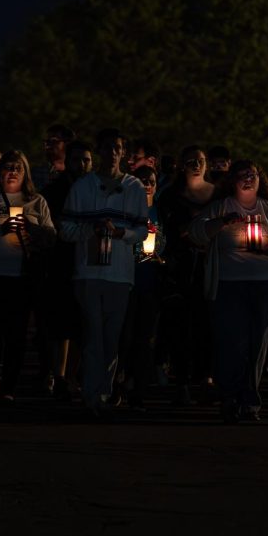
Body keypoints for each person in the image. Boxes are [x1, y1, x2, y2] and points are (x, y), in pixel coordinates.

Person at [190, 160, 268, 422]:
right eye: (242, 175)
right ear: (232, 181)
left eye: (253, 174)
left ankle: (249, 400)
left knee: (258, 342)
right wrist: (222, 222)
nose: (248, 179)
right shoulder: (221, 207)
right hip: (229, 285)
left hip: (267, 285)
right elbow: (197, 233)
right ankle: (229, 396)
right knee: (232, 341)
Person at [59, 129, 148, 418]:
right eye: (107, 147)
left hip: (120, 274)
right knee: (93, 333)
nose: (112, 153)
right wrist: (90, 230)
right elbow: (66, 228)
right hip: (88, 270)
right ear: (100, 152)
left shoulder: (134, 188)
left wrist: (120, 232)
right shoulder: (83, 187)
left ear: (123, 153)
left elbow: (142, 230)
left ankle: (105, 389)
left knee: (111, 335)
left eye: (117, 148)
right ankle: (92, 394)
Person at [0, 150, 56, 403]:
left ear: (26, 173)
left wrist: (30, 228)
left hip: (22, 276)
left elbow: (51, 237)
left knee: (16, 334)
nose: (12, 171)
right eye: (8, 167)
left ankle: (9, 386)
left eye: (18, 168)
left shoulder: (36, 202)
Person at [156, 145, 217, 406]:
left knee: (208, 324)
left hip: (209, 265)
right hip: (180, 269)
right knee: (180, 325)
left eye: (200, 161)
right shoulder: (171, 196)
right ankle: (181, 381)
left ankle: (206, 379)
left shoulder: (218, 196)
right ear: (182, 165)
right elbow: (166, 230)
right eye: (190, 161)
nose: (196, 165)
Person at [37, 139, 93, 399]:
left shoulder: (96, 189)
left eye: (86, 160)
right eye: (76, 160)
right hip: (61, 260)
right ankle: (57, 374)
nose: (81, 165)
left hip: (89, 260)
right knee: (60, 323)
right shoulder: (55, 191)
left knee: (81, 324)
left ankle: (71, 375)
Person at [119, 164, 165, 410]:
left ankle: (139, 386)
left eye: (151, 180)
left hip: (150, 281)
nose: (147, 184)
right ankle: (121, 379)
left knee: (144, 336)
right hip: (127, 277)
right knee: (124, 334)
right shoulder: (125, 209)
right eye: (142, 180)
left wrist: (160, 254)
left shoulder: (161, 212)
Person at [30, 124, 74, 191]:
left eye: (53, 141)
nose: (47, 144)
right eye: (46, 141)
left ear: (67, 144)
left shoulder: (76, 175)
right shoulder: (35, 174)